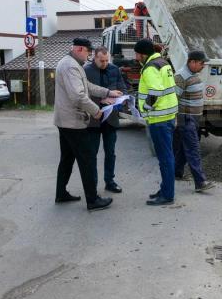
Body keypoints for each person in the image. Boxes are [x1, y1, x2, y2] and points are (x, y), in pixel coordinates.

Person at [54, 38, 123, 211]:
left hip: (65, 120)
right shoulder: (71, 66)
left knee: (67, 159)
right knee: (87, 159)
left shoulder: (72, 63)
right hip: (73, 121)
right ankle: (92, 200)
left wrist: (108, 92)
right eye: (88, 52)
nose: (89, 55)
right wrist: (96, 111)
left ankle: (61, 193)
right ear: (79, 49)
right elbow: (78, 96)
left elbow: (88, 86)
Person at [134, 39, 179, 206]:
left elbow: (156, 91)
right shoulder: (163, 63)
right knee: (166, 157)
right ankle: (165, 189)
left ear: (143, 54)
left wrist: (145, 108)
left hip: (158, 119)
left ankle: (167, 195)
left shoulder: (150, 68)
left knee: (165, 158)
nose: (136, 57)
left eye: (137, 53)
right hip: (167, 117)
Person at [84, 47, 127, 193]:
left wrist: (121, 98)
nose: (104, 63)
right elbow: (83, 94)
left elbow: (122, 88)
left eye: (107, 60)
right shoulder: (86, 71)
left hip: (111, 118)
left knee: (110, 152)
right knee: (92, 154)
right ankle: (92, 185)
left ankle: (110, 181)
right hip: (93, 119)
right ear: (94, 57)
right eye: (101, 60)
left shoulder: (115, 69)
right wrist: (102, 98)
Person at [173, 50, 215, 192]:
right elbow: (174, 100)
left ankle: (176, 173)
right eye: (202, 63)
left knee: (183, 149)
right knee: (193, 149)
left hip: (193, 118)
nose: (203, 66)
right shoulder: (180, 76)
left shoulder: (193, 75)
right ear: (192, 62)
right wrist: (175, 120)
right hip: (185, 118)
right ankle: (200, 182)